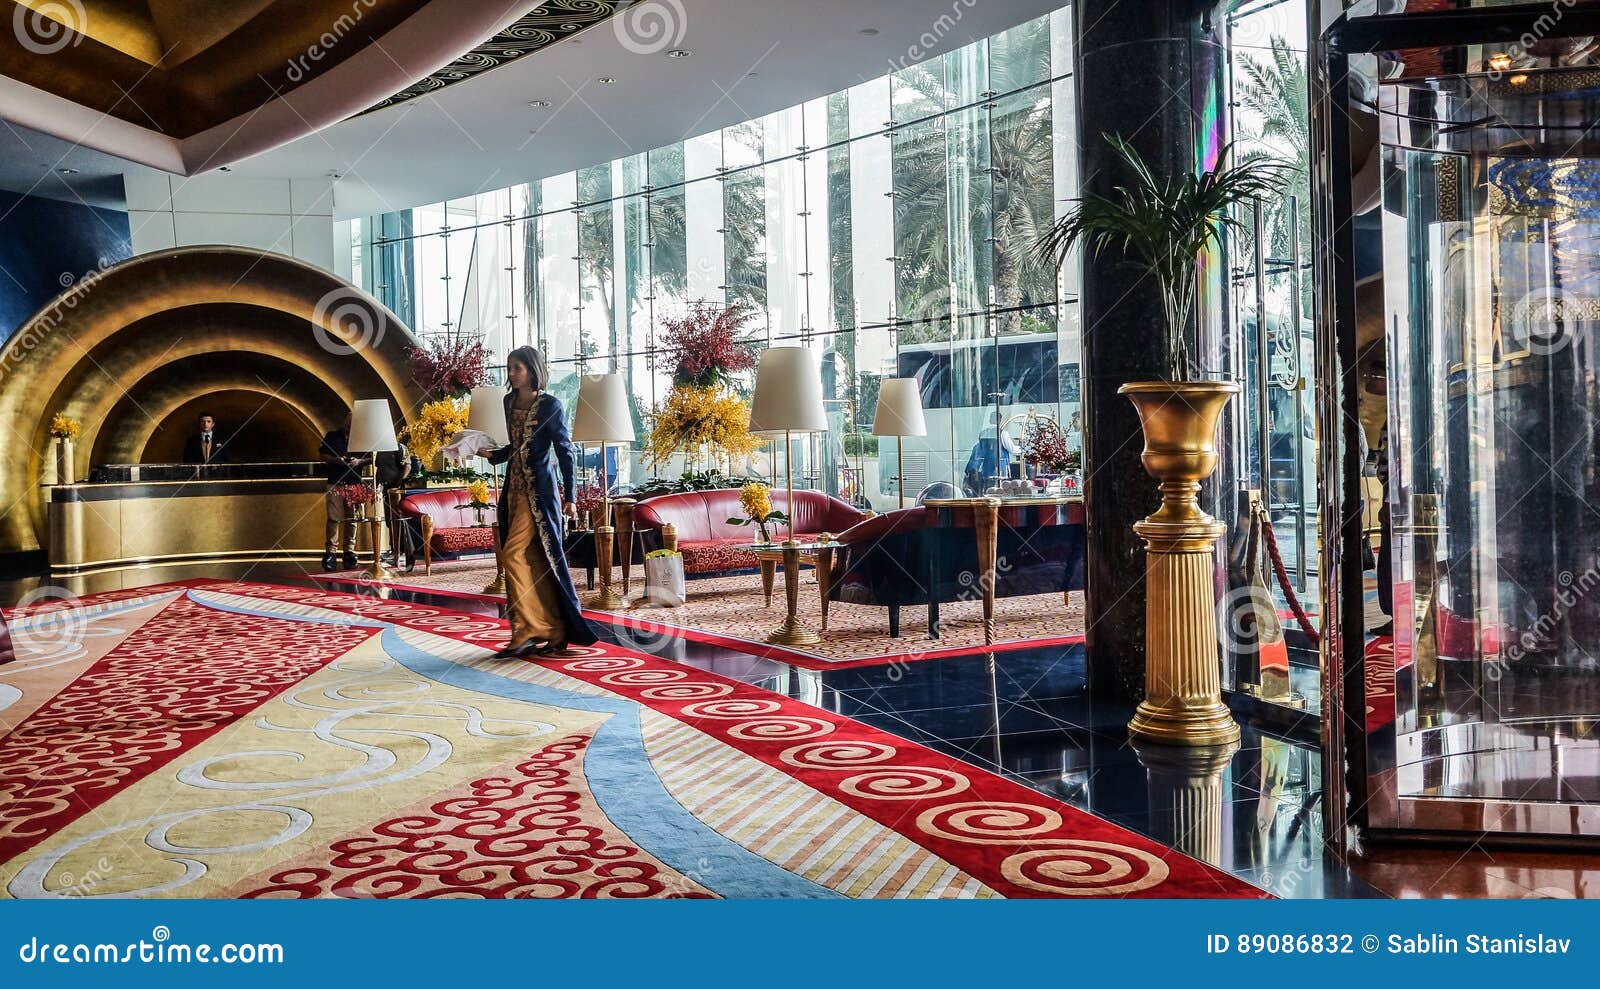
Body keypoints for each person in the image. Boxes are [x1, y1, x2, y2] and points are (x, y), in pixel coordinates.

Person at [487, 346, 598, 658]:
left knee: (512, 555)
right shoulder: (508, 401)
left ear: (532, 369)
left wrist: (571, 498)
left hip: (540, 494)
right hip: (513, 491)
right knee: (535, 560)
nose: (510, 374)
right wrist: (488, 453)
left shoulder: (551, 405)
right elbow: (514, 447)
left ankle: (530, 628)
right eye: (509, 368)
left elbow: (565, 451)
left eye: (516, 368)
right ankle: (551, 629)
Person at [318, 412, 369, 572]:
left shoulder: (362, 438)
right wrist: (336, 460)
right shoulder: (332, 436)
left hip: (354, 483)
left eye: (352, 423)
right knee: (333, 518)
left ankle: (349, 552)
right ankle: (331, 553)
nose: (349, 425)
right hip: (335, 482)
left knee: (352, 519)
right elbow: (321, 455)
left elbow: (373, 457)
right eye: (347, 422)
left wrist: (359, 461)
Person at [376, 440, 417, 573]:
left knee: (398, 521)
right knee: (389, 521)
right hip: (386, 489)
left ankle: (403, 552)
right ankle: (394, 550)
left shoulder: (400, 447)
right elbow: (379, 468)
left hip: (397, 490)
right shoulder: (381, 449)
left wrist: (398, 483)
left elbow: (407, 466)